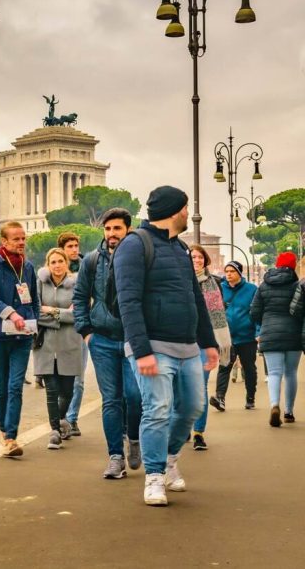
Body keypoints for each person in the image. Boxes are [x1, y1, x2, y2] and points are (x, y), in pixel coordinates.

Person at [113, 186, 218, 506]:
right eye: (186, 208)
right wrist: (141, 350)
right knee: (157, 409)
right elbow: (127, 302)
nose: (189, 214)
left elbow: (196, 299)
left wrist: (209, 343)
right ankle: (155, 475)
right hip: (152, 345)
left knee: (192, 407)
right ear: (174, 210)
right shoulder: (134, 245)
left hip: (187, 345)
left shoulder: (180, 250)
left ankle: (170, 456)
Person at [74, 207, 143, 479]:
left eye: (117, 228)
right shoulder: (91, 261)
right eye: (108, 229)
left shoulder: (140, 258)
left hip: (132, 340)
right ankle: (115, 456)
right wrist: (86, 332)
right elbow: (80, 297)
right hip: (101, 340)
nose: (112, 234)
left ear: (128, 230)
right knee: (111, 401)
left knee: (135, 396)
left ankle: (135, 439)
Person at [0, 221, 39, 458]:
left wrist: (34, 322)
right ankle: (4, 430)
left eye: (23, 238)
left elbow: (33, 298)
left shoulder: (29, 266)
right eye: (16, 239)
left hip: (23, 336)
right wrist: (10, 313)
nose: (22, 242)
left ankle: (11, 437)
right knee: (2, 386)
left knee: (16, 386)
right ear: (4, 242)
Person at [251, 252, 304, 427]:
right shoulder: (298, 285)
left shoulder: (264, 285)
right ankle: (288, 411)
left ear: (277, 264)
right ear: (293, 266)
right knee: (290, 373)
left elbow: (254, 312)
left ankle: (274, 405)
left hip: (270, 334)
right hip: (293, 334)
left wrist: (265, 323)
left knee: (274, 373)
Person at [36, 248, 82, 449]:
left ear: (67, 263)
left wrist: (52, 311)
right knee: (51, 390)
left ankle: (62, 418)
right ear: (48, 264)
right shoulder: (39, 284)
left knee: (68, 392)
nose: (57, 266)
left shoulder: (77, 285)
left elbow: (78, 315)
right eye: (53, 262)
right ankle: (54, 430)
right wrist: (63, 316)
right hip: (45, 345)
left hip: (70, 344)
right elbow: (35, 313)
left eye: (60, 261)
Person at [188, 245, 232, 451]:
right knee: (181, 390)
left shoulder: (215, 283)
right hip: (182, 341)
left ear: (205, 260)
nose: (196, 260)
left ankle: (199, 433)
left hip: (206, 341)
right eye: (192, 256)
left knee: (200, 388)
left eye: (199, 257)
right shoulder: (179, 281)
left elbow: (219, 311)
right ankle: (184, 426)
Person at [212, 261, 260, 412]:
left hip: (247, 337)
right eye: (227, 271)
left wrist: (258, 331)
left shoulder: (252, 289)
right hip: (226, 338)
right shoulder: (220, 289)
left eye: (232, 271)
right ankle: (220, 398)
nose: (229, 274)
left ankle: (250, 397)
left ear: (239, 273)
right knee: (224, 366)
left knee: (249, 368)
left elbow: (258, 312)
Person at [59, 233, 89, 430]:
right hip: (60, 331)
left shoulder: (88, 267)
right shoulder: (54, 269)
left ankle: (72, 418)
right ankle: (60, 418)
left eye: (76, 245)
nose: (74, 249)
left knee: (78, 378)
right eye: (70, 246)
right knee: (61, 378)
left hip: (81, 329)